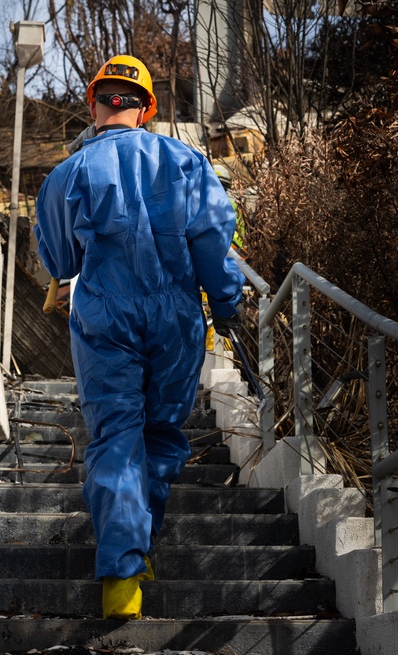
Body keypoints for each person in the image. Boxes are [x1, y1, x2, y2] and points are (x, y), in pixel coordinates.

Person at [34, 54, 245, 620]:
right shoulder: (185, 161)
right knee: (160, 433)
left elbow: (58, 257)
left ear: (95, 102)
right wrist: (226, 304)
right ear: (148, 107)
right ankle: (140, 545)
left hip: (106, 316)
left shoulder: (68, 173)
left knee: (115, 433)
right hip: (176, 318)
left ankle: (122, 580)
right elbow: (212, 242)